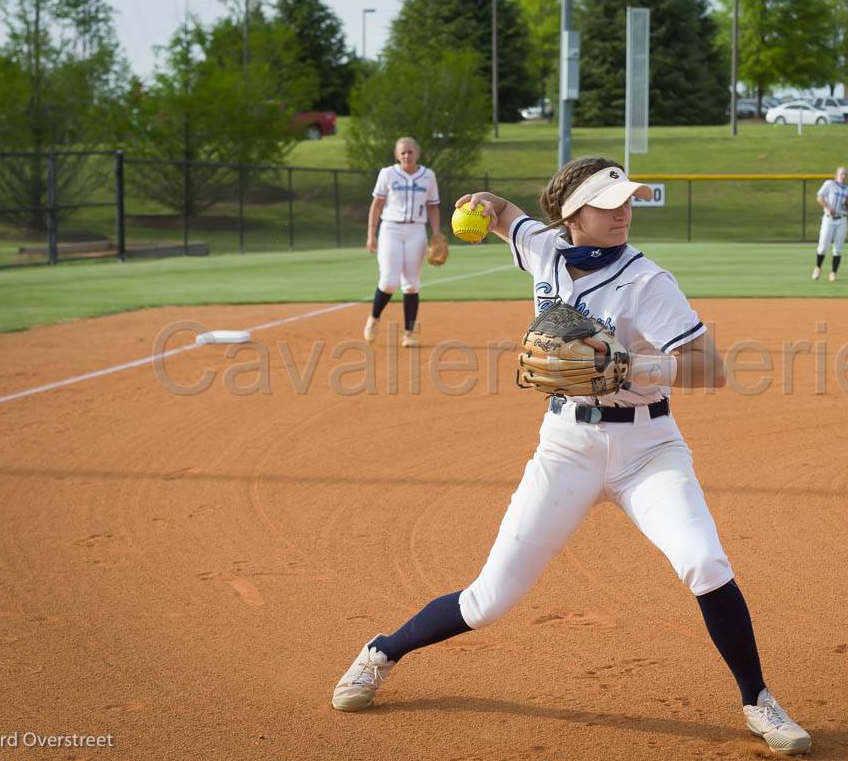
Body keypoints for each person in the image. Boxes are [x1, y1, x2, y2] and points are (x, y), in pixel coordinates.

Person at [332, 156, 813, 756]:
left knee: (705, 562)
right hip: (566, 447)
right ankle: (380, 652)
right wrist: (481, 202)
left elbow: (710, 370)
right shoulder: (543, 248)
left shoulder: (648, 281)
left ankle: (757, 701)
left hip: (647, 449)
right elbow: (508, 215)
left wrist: (630, 366)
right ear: (571, 216)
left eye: (626, 201)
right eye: (607, 204)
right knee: (489, 599)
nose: (623, 213)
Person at [364, 137, 442, 348]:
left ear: (417, 153)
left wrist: (436, 234)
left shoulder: (428, 176)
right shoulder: (387, 174)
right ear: (397, 155)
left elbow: (433, 206)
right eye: (403, 152)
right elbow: (377, 204)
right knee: (389, 281)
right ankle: (374, 318)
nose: (406, 155)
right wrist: (371, 234)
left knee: (411, 284)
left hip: (416, 229)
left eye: (410, 151)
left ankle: (408, 334)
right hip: (391, 228)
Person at [812, 167, 848, 283]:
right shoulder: (829, 184)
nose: (844, 176)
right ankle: (818, 268)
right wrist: (828, 207)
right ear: (836, 174)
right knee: (822, 247)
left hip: (842, 220)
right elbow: (819, 197)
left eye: (846, 174)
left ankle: (833, 273)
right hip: (828, 219)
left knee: (838, 249)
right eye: (842, 174)